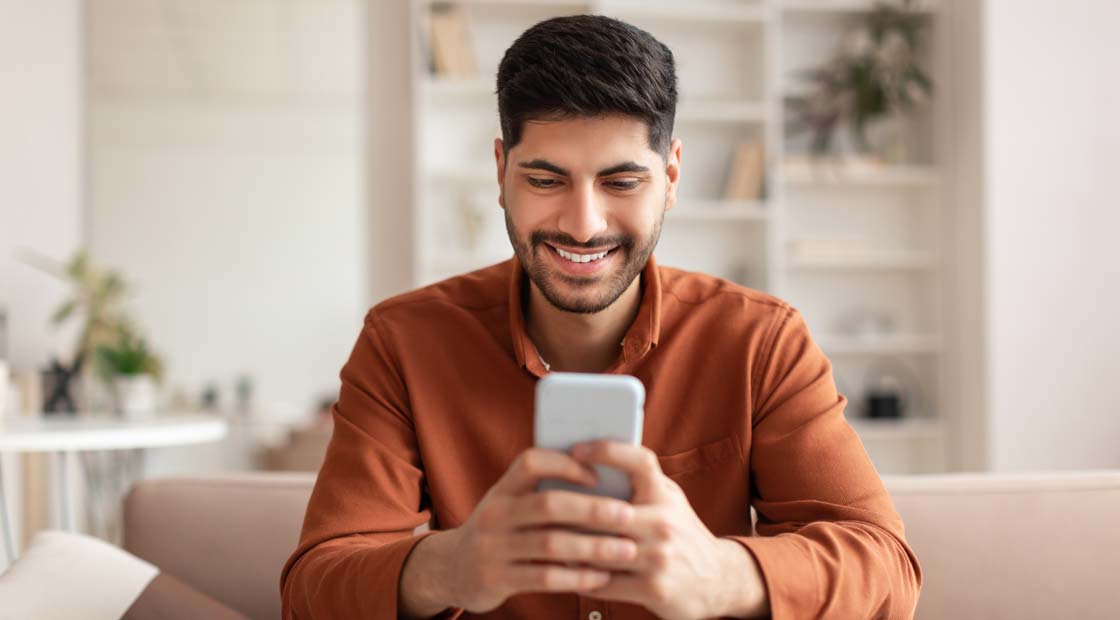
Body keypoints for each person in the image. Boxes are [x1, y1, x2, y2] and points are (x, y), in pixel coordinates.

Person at [280, 15, 921, 620]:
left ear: (670, 176)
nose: (583, 225)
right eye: (546, 180)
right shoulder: (403, 343)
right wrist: (448, 567)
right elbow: (311, 590)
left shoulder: (762, 341)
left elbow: (888, 572)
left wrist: (722, 573)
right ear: (501, 172)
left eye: (621, 182)